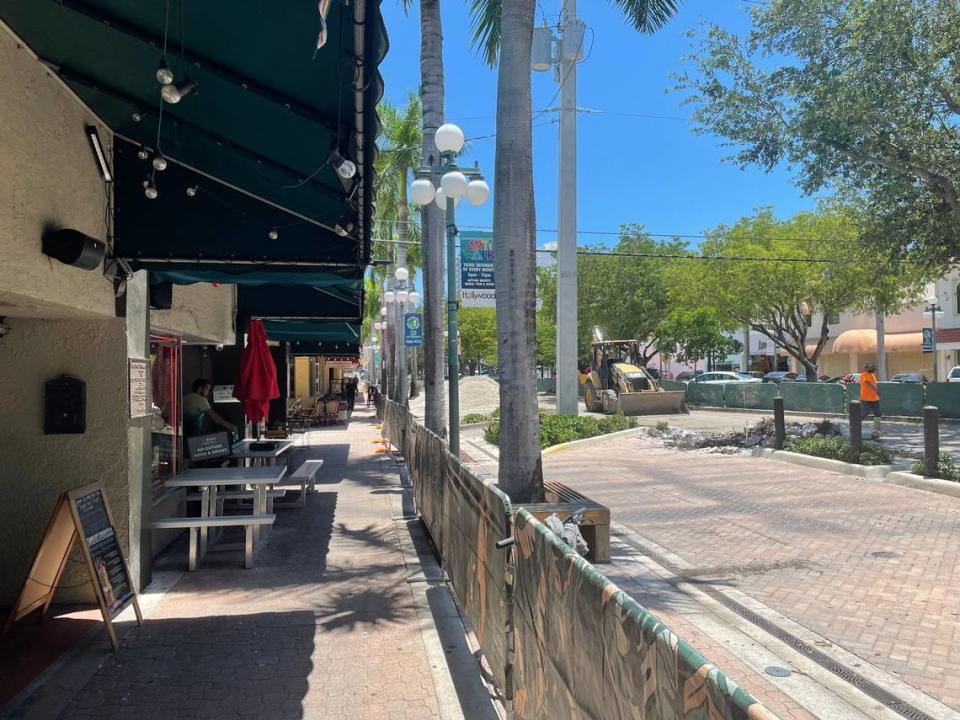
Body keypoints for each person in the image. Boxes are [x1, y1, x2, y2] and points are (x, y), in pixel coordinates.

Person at [859, 363, 882, 438]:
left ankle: (877, 430)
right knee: (864, 413)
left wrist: (876, 392)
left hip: (874, 398)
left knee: (877, 413)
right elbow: (867, 382)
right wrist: (876, 390)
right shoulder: (864, 374)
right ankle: (855, 426)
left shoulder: (872, 375)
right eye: (870, 367)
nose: (872, 368)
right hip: (866, 398)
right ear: (866, 368)